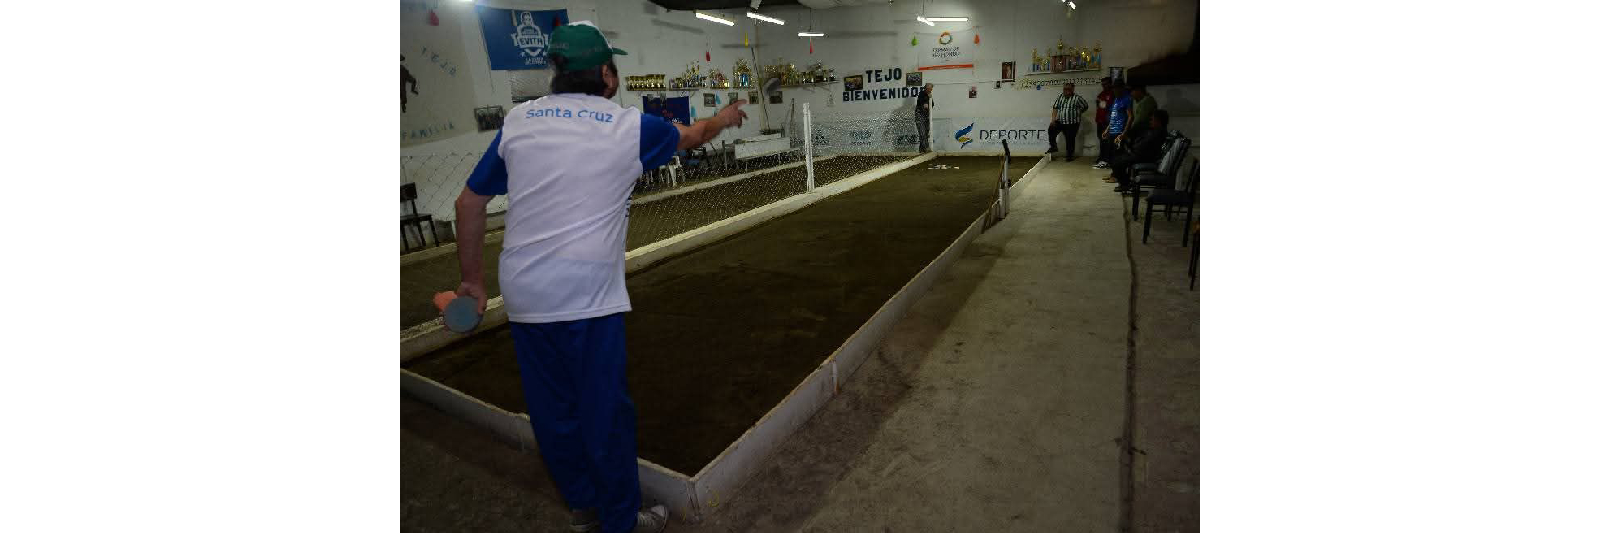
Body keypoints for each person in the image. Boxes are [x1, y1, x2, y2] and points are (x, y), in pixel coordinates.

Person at [451, 21, 746, 533]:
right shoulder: (628, 126)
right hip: (586, 294)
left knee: (553, 411)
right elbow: (695, 136)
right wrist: (722, 117)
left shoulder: (519, 122)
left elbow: (469, 202)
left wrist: (472, 283)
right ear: (606, 74)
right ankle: (619, 522)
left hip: (524, 292)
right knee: (605, 413)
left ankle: (584, 506)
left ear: (557, 72)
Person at [1107, 109, 1169, 193]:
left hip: (1145, 157)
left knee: (1117, 162)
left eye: (1152, 120)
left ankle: (1125, 184)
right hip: (1141, 154)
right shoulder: (1154, 131)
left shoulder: (1158, 133)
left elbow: (1144, 144)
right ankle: (1126, 182)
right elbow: (1142, 142)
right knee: (1117, 157)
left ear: (1159, 121)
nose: (1150, 121)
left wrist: (1133, 148)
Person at [1094, 82, 1133, 169]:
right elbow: (1113, 117)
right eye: (1114, 89)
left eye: (1116, 88)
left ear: (1122, 88)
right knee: (1111, 154)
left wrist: (1124, 133)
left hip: (1119, 131)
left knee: (1118, 154)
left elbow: (1130, 117)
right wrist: (1107, 130)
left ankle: (1116, 176)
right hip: (1112, 131)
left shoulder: (1127, 99)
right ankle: (1113, 174)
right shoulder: (1116, 100)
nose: (1114, 90)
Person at [1047, 82, 1090, 160]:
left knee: (1070, 139)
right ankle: (1054, 147)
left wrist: (1078, 112)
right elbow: (1055, 108)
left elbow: (1085, 106)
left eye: (1068, 89)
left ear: (1072, 89)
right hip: (1061, 121)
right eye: (1065, 89)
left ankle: (1069, 155)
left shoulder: (1077, 98)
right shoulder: (1060, 97)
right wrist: (1053, 119)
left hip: (1072, 123)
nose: (1066, 91)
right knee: (1051, 129)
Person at [1092, 77, 1115, 167]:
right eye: (1102, 84)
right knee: (1102, 140)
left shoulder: (1113, 94)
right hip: (1100, 121)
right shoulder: (1102, 93)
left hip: (1107, 121)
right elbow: (1100, 105)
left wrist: (1101, 102)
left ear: (1110, 84)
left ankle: (1106, 159)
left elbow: (1107, 106)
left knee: (1107, 141)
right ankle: (1102, 157)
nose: (1104, 86)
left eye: (1105, 84)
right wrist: (1100, 103)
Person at [915, 85, 934, 152]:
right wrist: (926, 102)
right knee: (922, 133)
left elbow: (932, 104)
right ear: (925, 88)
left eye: (931, 89)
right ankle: (927, 148)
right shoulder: (922, 93)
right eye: (928, 89)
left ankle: (921, 150)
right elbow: (921, 100)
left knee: (925, 134)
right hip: (919, 117)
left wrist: (929, 100)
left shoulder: (929, 96)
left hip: (926, 117)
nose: (930, 90)